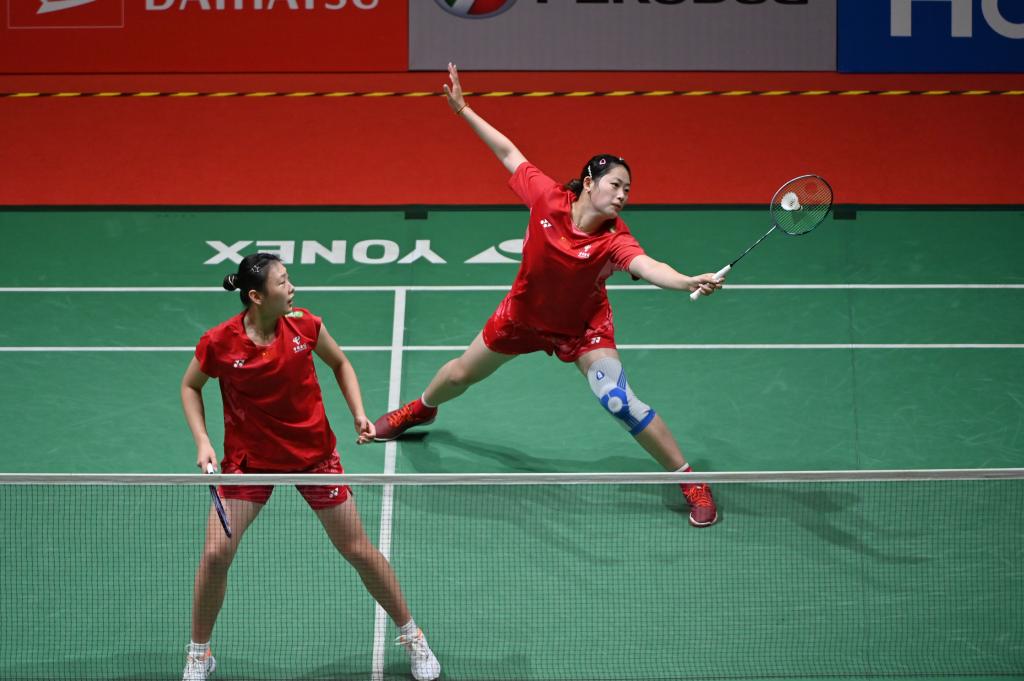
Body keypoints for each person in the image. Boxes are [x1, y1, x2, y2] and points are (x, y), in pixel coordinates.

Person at [373, 64, 724, 529]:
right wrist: (463, 110)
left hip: (583, 329)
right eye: (615, 185)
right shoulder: (547, 198)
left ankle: (690, 480)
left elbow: (648, 267)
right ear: (589, 182)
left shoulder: (614, 240)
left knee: (618, 400)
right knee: (458, 375)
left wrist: (686, 281)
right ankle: (419, 409)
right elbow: (508, 152)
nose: (623, 195)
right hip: (521, 317)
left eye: (628, 189)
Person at [180, 253, 440, 681]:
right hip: (250, 463)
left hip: (313, 458)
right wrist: (203, 440)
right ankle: (198, 652)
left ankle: (413, 636)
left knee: (358, 550)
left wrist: (358, 412)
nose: (292, 287)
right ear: (256, 297)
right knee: (215, 555)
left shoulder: (304, 324)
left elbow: (340, 363)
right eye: (282, 282)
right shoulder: (220, 341)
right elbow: (191, 386)